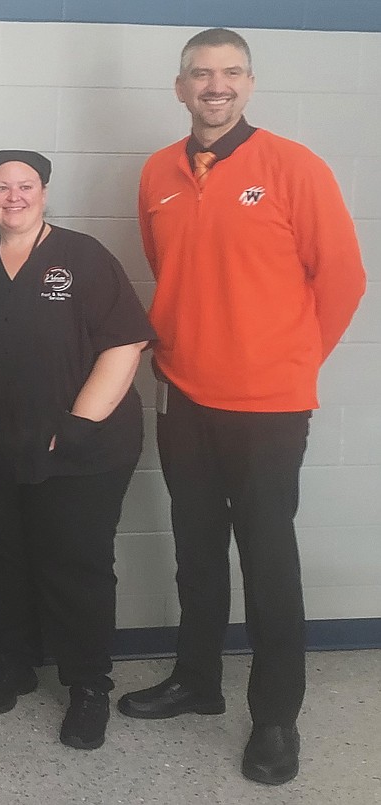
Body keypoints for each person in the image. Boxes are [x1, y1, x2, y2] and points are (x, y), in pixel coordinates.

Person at [118, 28, 366, 785]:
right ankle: (198, 681)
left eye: (229, 73)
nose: (214, 85)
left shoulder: (294, 166)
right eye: (200, 73)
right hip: (183, 394)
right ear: (181, 87)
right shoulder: (158, 171)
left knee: (267, 560)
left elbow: (345, 280)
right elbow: (172, 272)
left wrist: (286, 362)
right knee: (195, 551)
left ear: (249, 84)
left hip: (268, 406)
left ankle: (276, 719)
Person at [0, 150, 154, 750]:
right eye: (1, 187)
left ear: (44, 193)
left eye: (25, 185)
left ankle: (89, 686)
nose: (13, 196)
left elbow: (126, 343)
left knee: (76, 565)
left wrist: (78, 426)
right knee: (7, 557)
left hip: (83, 449)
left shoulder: (83, 257)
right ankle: (14, 662)